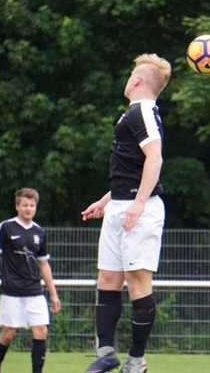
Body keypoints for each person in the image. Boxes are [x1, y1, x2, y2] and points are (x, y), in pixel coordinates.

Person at [81, 53, 172, 373]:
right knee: (107, 279)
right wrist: (107, 200)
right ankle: (107, 353)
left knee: (137, 286)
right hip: (120, 205)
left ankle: (136, 361)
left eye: (131, 73)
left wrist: (139, 202)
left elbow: (155, 158)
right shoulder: (135, 113)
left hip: (139, 210)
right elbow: (133, 165)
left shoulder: (142, 110)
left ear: (137, 80)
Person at [0, 187, 62, 373]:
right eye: (25, 205)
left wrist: (53, 294)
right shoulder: (6, 227)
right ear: (17, 206)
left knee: (41, 331)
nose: (28, 208)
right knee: (9, 333)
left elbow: (43, 264)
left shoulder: (39, 232)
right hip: (12, 290)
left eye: (32, 205)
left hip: (34, 290)